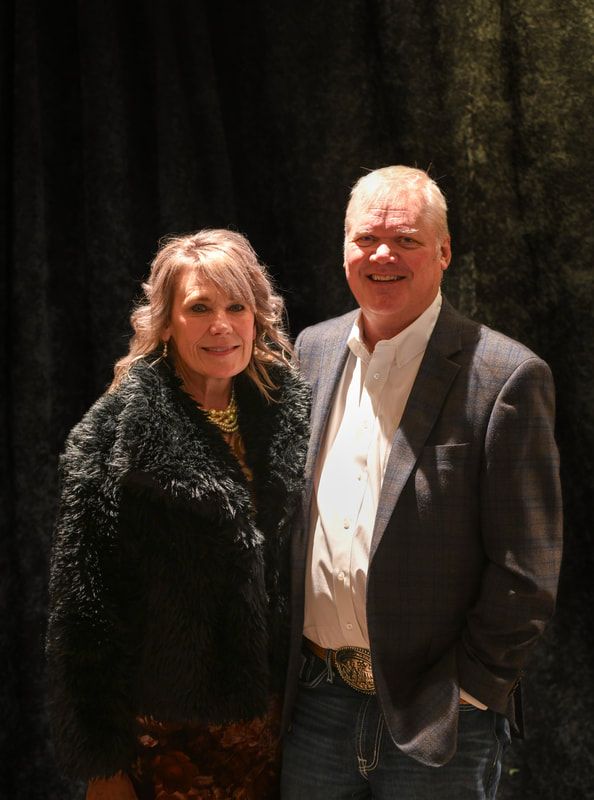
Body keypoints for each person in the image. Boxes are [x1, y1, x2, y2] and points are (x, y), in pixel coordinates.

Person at [280, 166, 562, 799]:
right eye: (365, 238)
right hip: (315, 706)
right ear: (344, 249)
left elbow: (528, 568)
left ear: (444, 252)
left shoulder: (506, 378)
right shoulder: (311, 352)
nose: (382, 254)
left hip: (436, 719)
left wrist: (470, 689)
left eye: (405, 239)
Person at [46, 229, 309, 800]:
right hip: (165, 742)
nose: (222, 324)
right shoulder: (112, 437)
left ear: (257, 315)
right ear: (165, 322)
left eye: (236, 306)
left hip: (281, 734)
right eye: (199, 308)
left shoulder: (294, 412)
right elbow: (82, 616)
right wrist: (103, 766)